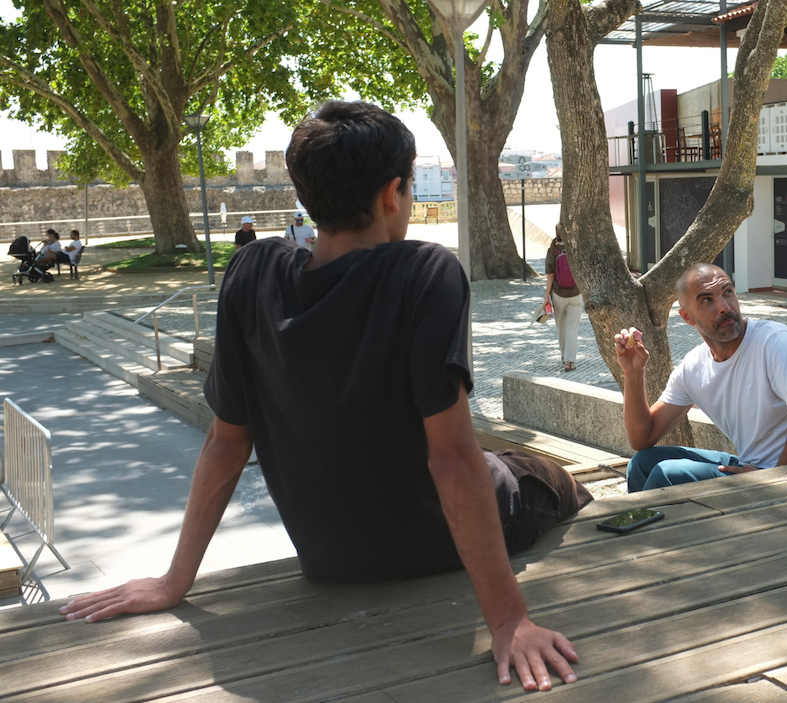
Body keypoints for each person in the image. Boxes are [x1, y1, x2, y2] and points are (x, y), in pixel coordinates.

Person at [59, 101, 591, 692]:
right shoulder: (424, 272)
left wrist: (172, 583)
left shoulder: (252, 273)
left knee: (508, 467)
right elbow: (453, 458)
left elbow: (226, 443)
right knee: (552, 480)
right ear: (394, 193)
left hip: (330, 559)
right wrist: (510, 621)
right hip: (443, 534)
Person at [617, 263, 787, 492]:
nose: (724, 307)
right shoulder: (694, 367)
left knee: (666, 474)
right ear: (687, 317)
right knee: (642, 464)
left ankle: (659, 527)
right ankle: (643, 525)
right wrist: (633, 373)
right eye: (707, 300)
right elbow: (642, 438)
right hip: (750, 467)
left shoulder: (773, 340)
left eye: (727, 292)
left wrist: (774, 479)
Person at [544, 235, 583, 372]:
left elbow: (550, 275)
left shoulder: (553, 249)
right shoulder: (576, 246)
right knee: (572, 328)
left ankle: (563, 355)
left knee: (561, 326)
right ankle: (569, 361)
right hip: (576, 294)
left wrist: (546, 297)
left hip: (558, 294)